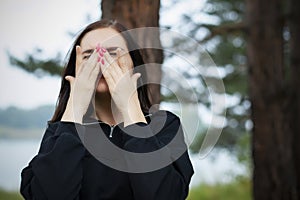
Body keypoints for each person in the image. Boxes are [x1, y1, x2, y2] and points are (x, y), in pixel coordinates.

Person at [20, 19, 194, 200]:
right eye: (89, 56)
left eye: (113, 54)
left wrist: (130, 110)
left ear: (134, 64)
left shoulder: (164, 125)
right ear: (75, 69)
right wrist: (75, 108)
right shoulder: (60, 131)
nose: (102, 62)